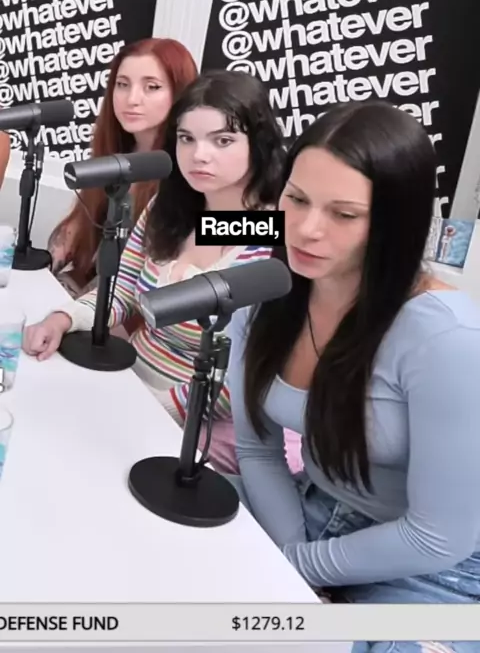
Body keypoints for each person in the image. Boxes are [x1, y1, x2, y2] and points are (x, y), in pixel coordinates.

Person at [225, 101, 480, 653]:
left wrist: (299, 568)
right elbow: (257, 448)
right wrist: (292, 559)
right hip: (310, 511)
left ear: (394, 223)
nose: (307, 230)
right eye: (296, 199)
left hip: (433, 571)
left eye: (343, 214)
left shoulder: (448, 337)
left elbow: (440, 535)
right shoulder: (266, 296)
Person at [23, 70, 301, 474]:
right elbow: (121, 292)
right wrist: (64, 318)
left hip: (198, 428)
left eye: (222, 140)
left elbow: (242, 376)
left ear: (258, 144)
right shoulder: (169, 211)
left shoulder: (277, 240)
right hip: (126, 382)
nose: (199, 155)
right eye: (186, 138)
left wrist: (151, 410)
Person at [48, 37, 198, 297]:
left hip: (126, 310)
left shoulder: (189, 175)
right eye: (122, 85)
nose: (132, 99)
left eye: (152, 87)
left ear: (180, 93)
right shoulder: (114, 156)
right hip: (78, 297)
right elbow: (72, 239)